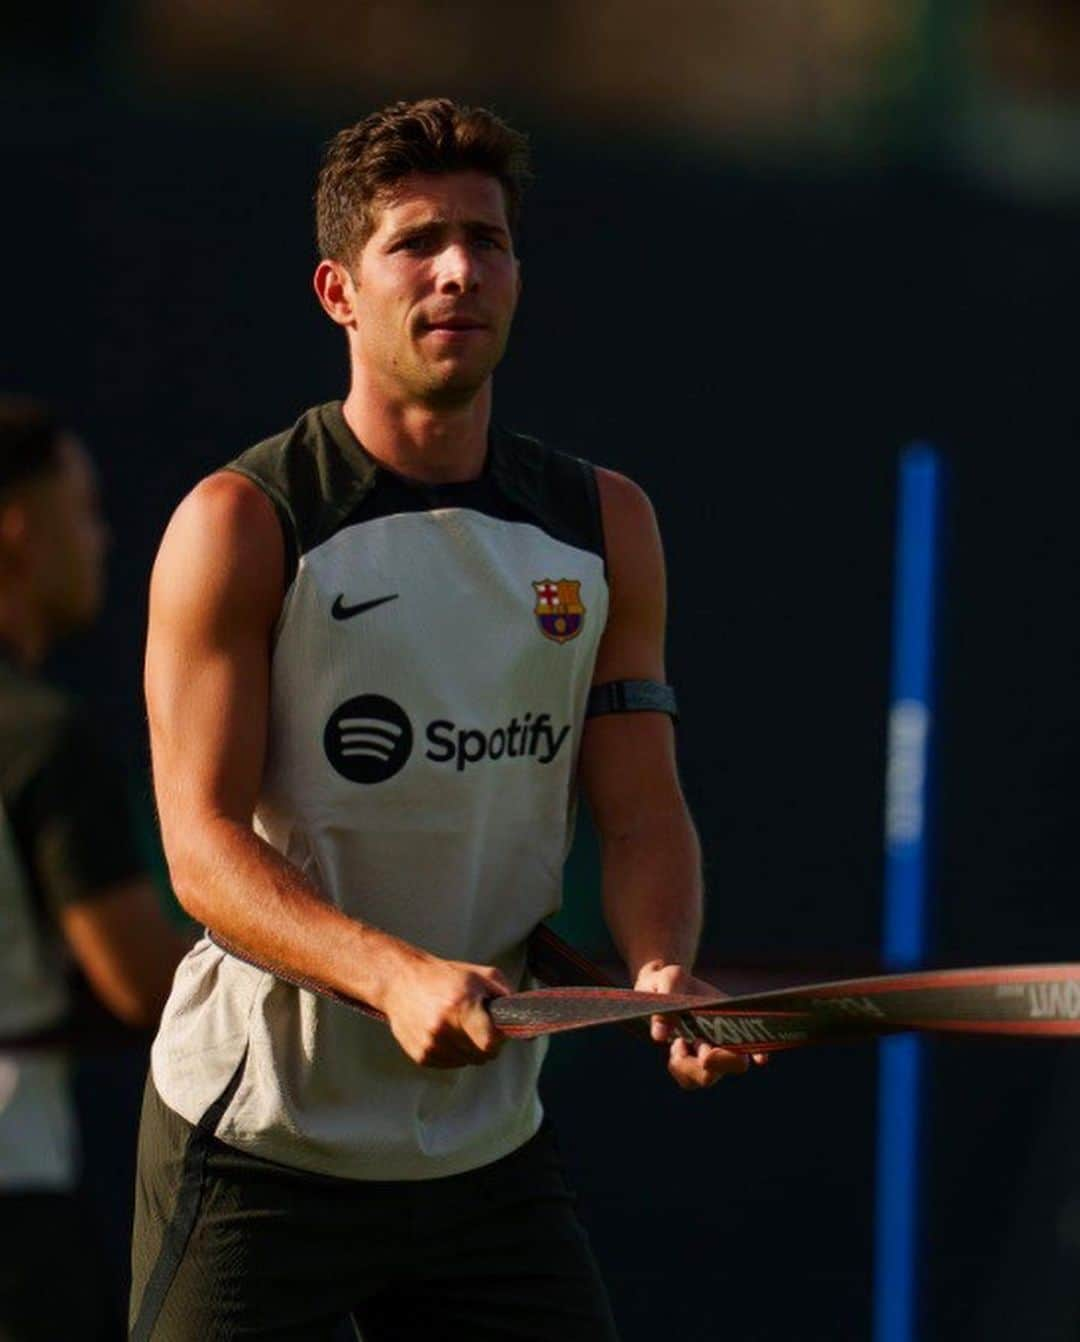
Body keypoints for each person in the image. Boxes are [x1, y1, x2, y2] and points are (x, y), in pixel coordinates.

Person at [130, 97, 754, 1342]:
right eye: (416, 241)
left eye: (488, 237)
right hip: (262, 1138)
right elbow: (200, 852)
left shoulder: (603, 522)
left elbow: (639, 812)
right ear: (338, 292)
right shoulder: (242, 523)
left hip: (486, 1157)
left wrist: (658, 969)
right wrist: (392, 974)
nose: (460, 266)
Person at [0, 398, 192, 1341]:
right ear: (18, 528)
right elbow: (143, 982)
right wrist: (351, 966)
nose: (103, 539)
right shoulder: (37, 736)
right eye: (84, 510)